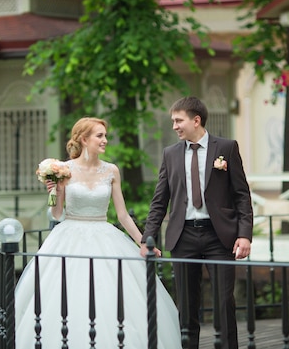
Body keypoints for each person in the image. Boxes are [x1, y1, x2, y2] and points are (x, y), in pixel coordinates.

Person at [15, 117, 181, 349]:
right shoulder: (64, 170)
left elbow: (122, 215)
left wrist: (143, 243)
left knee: (112, 296)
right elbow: (56, 214)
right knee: (68, 295)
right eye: (99, 135)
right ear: (84, 139)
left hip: (104, 235)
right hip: (69, 237)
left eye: (105, 135)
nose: (105, 140)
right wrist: (53, 191)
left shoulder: (111, 170)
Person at [140, 96, 253, 349]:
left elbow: (242, 196)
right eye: (173, 121)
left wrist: (244, 234)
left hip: (219, 237)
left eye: (178, 120)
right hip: (183, 237)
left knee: (225, 304)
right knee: (187, 308)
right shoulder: (170, 154)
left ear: (196, 120)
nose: (175, 126)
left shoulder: (226, 148)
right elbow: (160, 200)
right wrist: (148, 238)